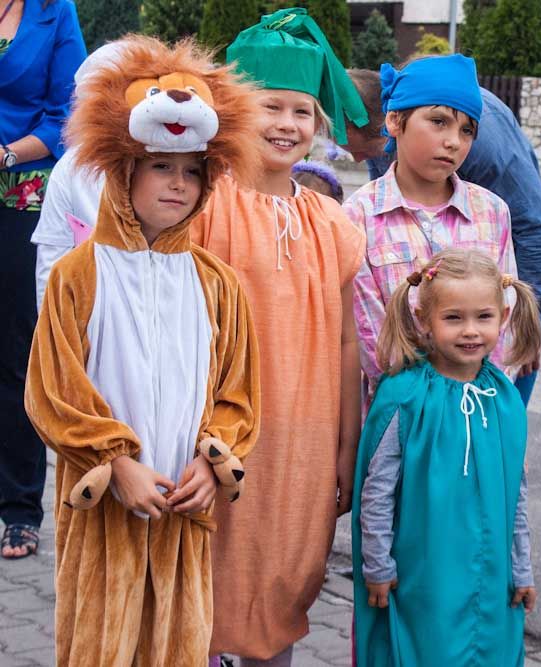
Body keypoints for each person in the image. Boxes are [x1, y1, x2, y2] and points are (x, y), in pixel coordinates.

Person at [23, 36, 262, 665]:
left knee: (176, 644)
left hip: (184, 506)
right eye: (162, 166)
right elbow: (53, 388)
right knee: (101, 645)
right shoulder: (80, 274)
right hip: (105, 507)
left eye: (192, 171)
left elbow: (237, 392)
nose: (178, 184)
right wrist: (116, 461)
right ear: (125, 169)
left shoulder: (218, 283)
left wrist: (215, 462)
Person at [189, 9, 368, 665]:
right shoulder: (205, 204)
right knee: (205, 582)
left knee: (286, 576)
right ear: (234, 109)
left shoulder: (330, 222)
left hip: (303, 443)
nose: (287, 125)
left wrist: (347, 447)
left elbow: (347, 342)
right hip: (220, 435)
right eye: (271, 106)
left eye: (301, 111)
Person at [352, 247, 541, 666]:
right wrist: (378, 565)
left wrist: (522, 568)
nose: (470, 331)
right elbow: (378, 490)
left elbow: (517, 495)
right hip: (425, 580)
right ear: (424, 321)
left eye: (483, 317)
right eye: (453, 318)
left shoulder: (504, 399)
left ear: (503, 318)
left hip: (492, 581)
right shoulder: (405, 396)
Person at [343, 67, 541, 405]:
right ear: (394, 122)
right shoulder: (359, 216)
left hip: (480, 410)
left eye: (467, 130)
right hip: (404, 416)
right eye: (439, 122)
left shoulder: (492, 211)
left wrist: (484, 395)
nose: (453, 141)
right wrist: (428, 405)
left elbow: (506, 313)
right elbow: (372, 337)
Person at [0, 0, 85, 560]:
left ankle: (19, 508)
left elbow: (67, 115)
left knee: (16, 352)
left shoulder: (56, 11)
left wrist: (6, 153)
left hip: (20, 194)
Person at [32, 41, 127, 311]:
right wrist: (52, 332)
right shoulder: (70, 168)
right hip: (88, 311)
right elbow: (52, 261)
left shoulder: (168, 163)